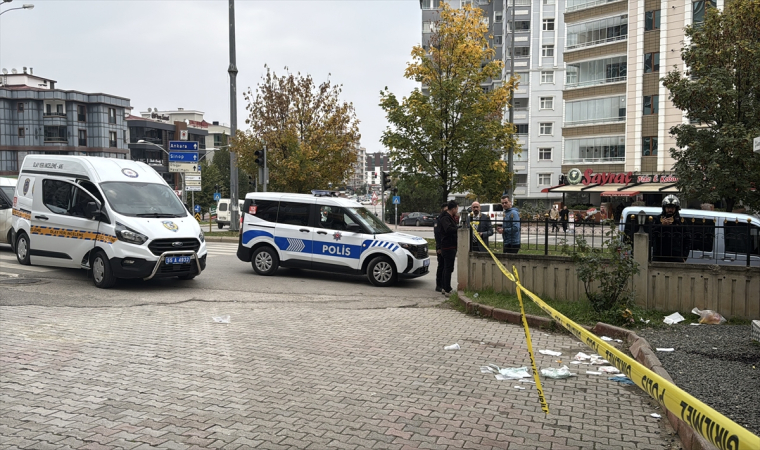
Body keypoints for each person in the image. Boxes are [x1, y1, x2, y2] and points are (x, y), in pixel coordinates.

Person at [653, 195, 689, 262]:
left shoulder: (682, 221)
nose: (670, 210)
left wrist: (684, 256)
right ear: (664, 208)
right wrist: (662, 225)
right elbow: (651, 234)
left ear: (676, 208)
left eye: (672, 208)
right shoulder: (657, 219)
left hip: (676, 256)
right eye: (668, 207)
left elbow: (687, 239)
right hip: (659, 255)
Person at [438, 200, 459, 295]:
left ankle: (444, 287)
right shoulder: (446, 218)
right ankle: (447, 289)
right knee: (448, 268)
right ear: (453, 209)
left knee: (447, 268)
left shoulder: (450, 217)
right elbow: (448, 229)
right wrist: (458, 228)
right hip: (448, 246)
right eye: (457, 208)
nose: (457, 210)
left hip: (450, 246)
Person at [433, 203, 448, 292]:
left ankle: (443, 284)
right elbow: (437, 235)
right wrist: (439, 247)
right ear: (441, 210)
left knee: (445, 266)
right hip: (440, 247)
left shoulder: (445, 219)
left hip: (446, 246)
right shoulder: (438, 220)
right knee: (441, 266)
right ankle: (438, 285)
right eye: (445, 210)